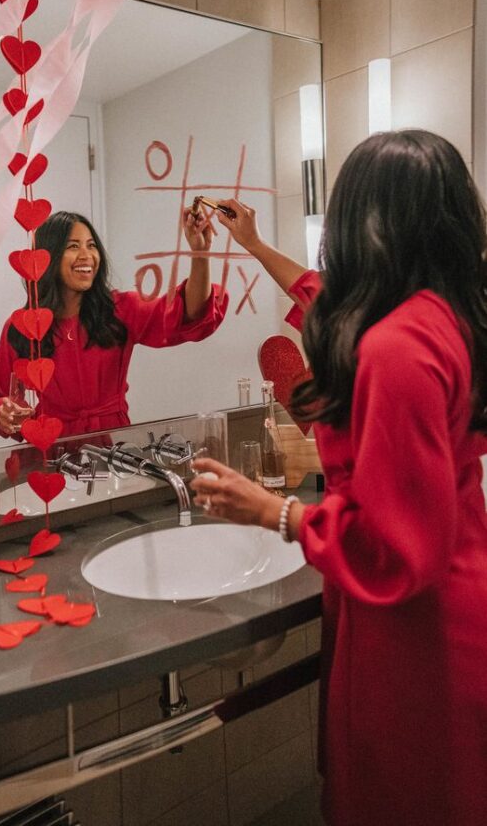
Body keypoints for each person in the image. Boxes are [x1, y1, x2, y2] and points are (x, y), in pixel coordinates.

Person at [190, 130, 487, 826]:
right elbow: (319, 292)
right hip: (457, 591)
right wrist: (257, 246)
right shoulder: (444, 315)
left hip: (417, 633)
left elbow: (395, 552)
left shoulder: (396, 348)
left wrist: (275, 512)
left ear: (362, 221)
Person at [0, 208, 227, 439]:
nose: (87, 256)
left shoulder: (120, 308)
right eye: (73, 246)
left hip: (114, 446)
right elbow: (0, 399)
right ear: (49, 257)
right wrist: (8, 413)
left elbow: (189, 313)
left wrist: (200, 254)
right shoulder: (22, 325)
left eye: (91, 246)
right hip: (52, 450)